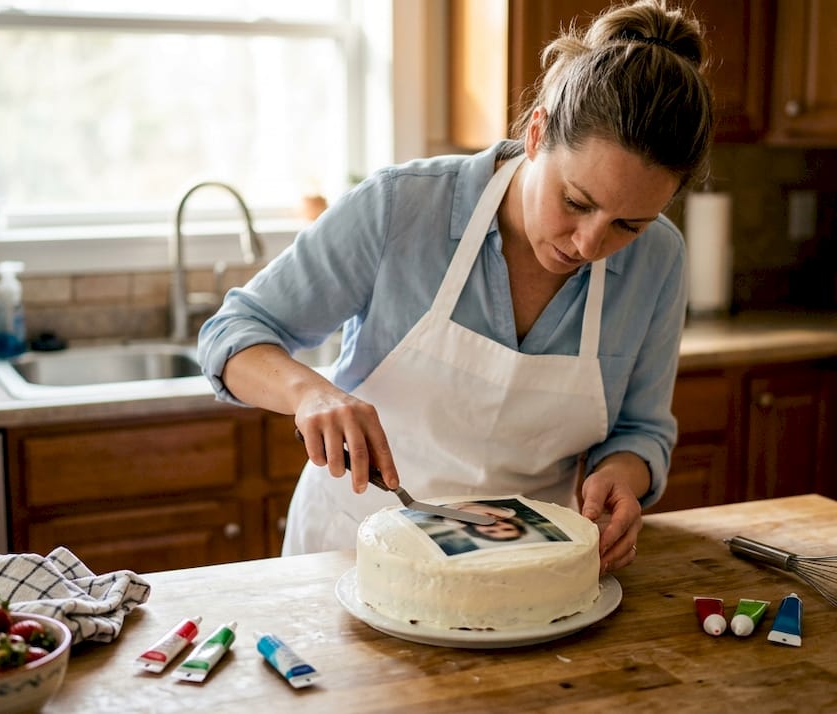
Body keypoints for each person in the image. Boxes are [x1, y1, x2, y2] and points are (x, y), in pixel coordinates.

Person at [198, 0, 714, 573]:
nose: (589, 245)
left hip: (527, 571)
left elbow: (641, 429)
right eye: (576, 202)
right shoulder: (402, 207)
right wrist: (309, 393)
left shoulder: (660, 260)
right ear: (538, 133)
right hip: (349, 554)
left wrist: (622, 475)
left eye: (628, 225)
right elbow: (231, 333)